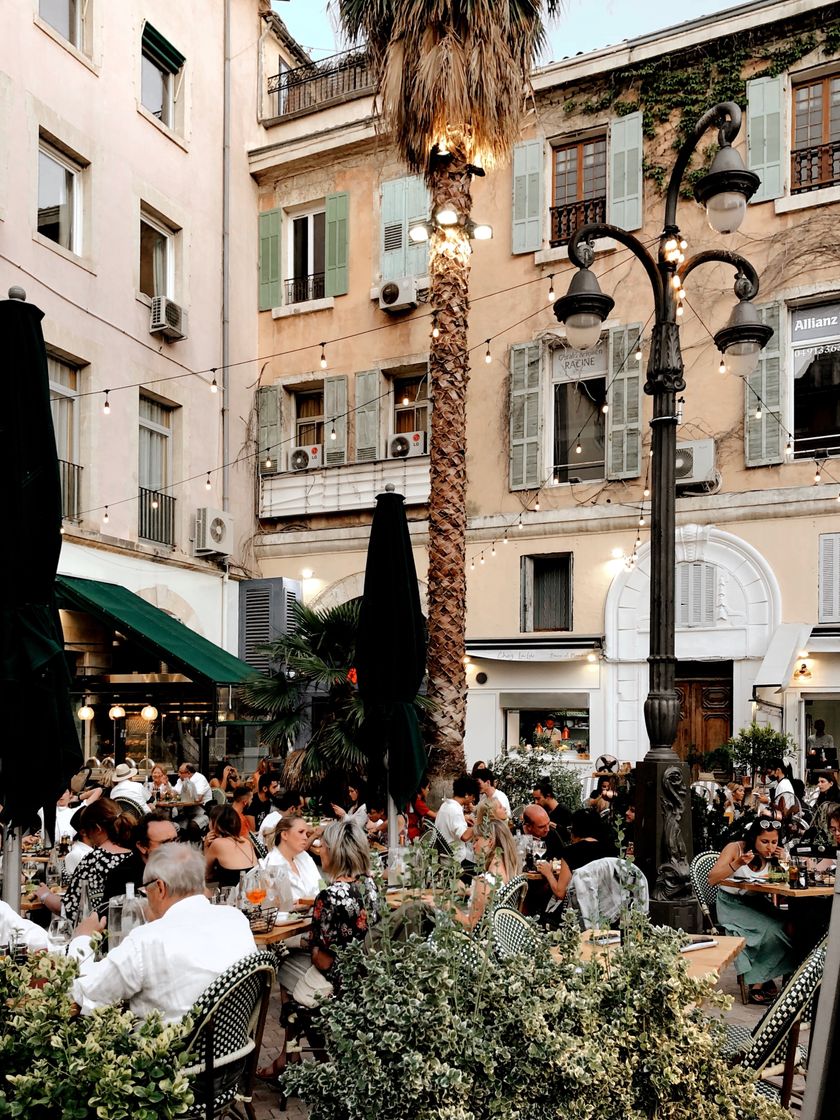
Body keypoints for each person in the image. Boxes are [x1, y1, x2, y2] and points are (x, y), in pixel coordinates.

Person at [69, 845, 257, 1023]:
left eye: (146, 890)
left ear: (160, 888)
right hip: (232, 1043)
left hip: (170, 1051)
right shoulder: (236, 919)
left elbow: (86, 991)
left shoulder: (147, 940)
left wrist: (82, 939)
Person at [258, 819, 379, 1082]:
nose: (318, 850)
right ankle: (292, 1055)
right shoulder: (369, 884)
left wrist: (309, 942)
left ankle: (302, 1056)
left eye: (322, 846)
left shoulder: (330, 896)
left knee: (278, 962)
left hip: (336, 981)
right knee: (291, 972)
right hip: (364, 975)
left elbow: (322, 961)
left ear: (334, 851)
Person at [708, 817, 797, 1003]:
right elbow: (712, 878)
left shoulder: (773, 856)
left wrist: (784, 863)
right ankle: (757, 982)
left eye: (774, 842)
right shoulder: (735, 848)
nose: (770, 847)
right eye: (764, 842)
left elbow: (781, 883)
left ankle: (773, 975)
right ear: (753, 838)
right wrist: (738, 863)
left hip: (755, 900)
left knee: (792, 924)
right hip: (730, 904)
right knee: (772, 929)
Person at [35, 799, 136, 925]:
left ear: (98, 829)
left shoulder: (93, 862)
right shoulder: (134, 855)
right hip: (130, 928)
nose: (87, 836)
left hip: (99, 935)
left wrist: (45, 896)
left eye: (88, 831)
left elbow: (70, 909)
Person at [455, 803, 520, 930]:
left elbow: (471, 926)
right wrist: (470, 892)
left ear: (490, 841)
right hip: (501, 934)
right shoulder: (510, 871)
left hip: (479, 942)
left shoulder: (486, 881)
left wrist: (445, 905)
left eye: (476, 840)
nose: (473, 846)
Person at [534, 809, 618, 905]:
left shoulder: (571, 852)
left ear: (575, 829)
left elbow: (560, 893)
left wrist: (548, 873)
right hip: (607, 908)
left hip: (580, 911)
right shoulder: (611, 850)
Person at [101, 811, 179, 902]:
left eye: (175, 840)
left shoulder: (182, 869)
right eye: (165, 843)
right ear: (142, 846)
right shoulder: (122, 877)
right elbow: (113, 912)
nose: (174, 847)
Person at [263, 815, 321, 902]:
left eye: (306, 834)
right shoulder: (272, 863)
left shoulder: (304, 856)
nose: (305, 837)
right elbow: (274, 904)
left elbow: (321, 884)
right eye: (301, 832)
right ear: (285, 835)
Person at [204, 804, 258, 886]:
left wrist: (206, 846)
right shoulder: (246, 841)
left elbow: (206, 873)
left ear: (214, 823)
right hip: (252, 889)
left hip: (232, 894)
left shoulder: (217, 843)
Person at [435, 774, 479, 864]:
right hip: (455, 862)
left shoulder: (445, 805)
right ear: (466, 795)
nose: (473, 799)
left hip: (444, 856)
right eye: (473, 796)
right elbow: (464, 836)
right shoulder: (456, 810)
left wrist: (464, 818)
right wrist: (479, 822)